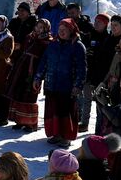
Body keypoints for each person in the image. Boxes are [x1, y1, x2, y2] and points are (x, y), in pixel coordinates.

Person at [37, 18, 88, 147]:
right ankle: (56, 134)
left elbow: (82, 68)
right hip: (51, 83)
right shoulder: (53, 44)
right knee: (53, 110)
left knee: (66, 112)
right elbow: (44, 61)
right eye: (60, 30)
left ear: (71, 31)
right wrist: (38, 77)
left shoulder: (77, 46)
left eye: (65, 30)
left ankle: (66, 136)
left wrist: (78, 85)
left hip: (67, 86)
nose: (62, 32)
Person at [6, 18, 50, 131]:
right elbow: (21, 51)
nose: (38, 29)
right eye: (37, 26)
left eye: (41, 28)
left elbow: (45, 60)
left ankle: (30, 123)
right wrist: (14, 59)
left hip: (33, 70)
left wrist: (39, 74)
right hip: (22, 68)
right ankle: (19, 121)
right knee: (19, 93)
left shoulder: (47, 42)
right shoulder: (29, 37)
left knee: (30, 96)